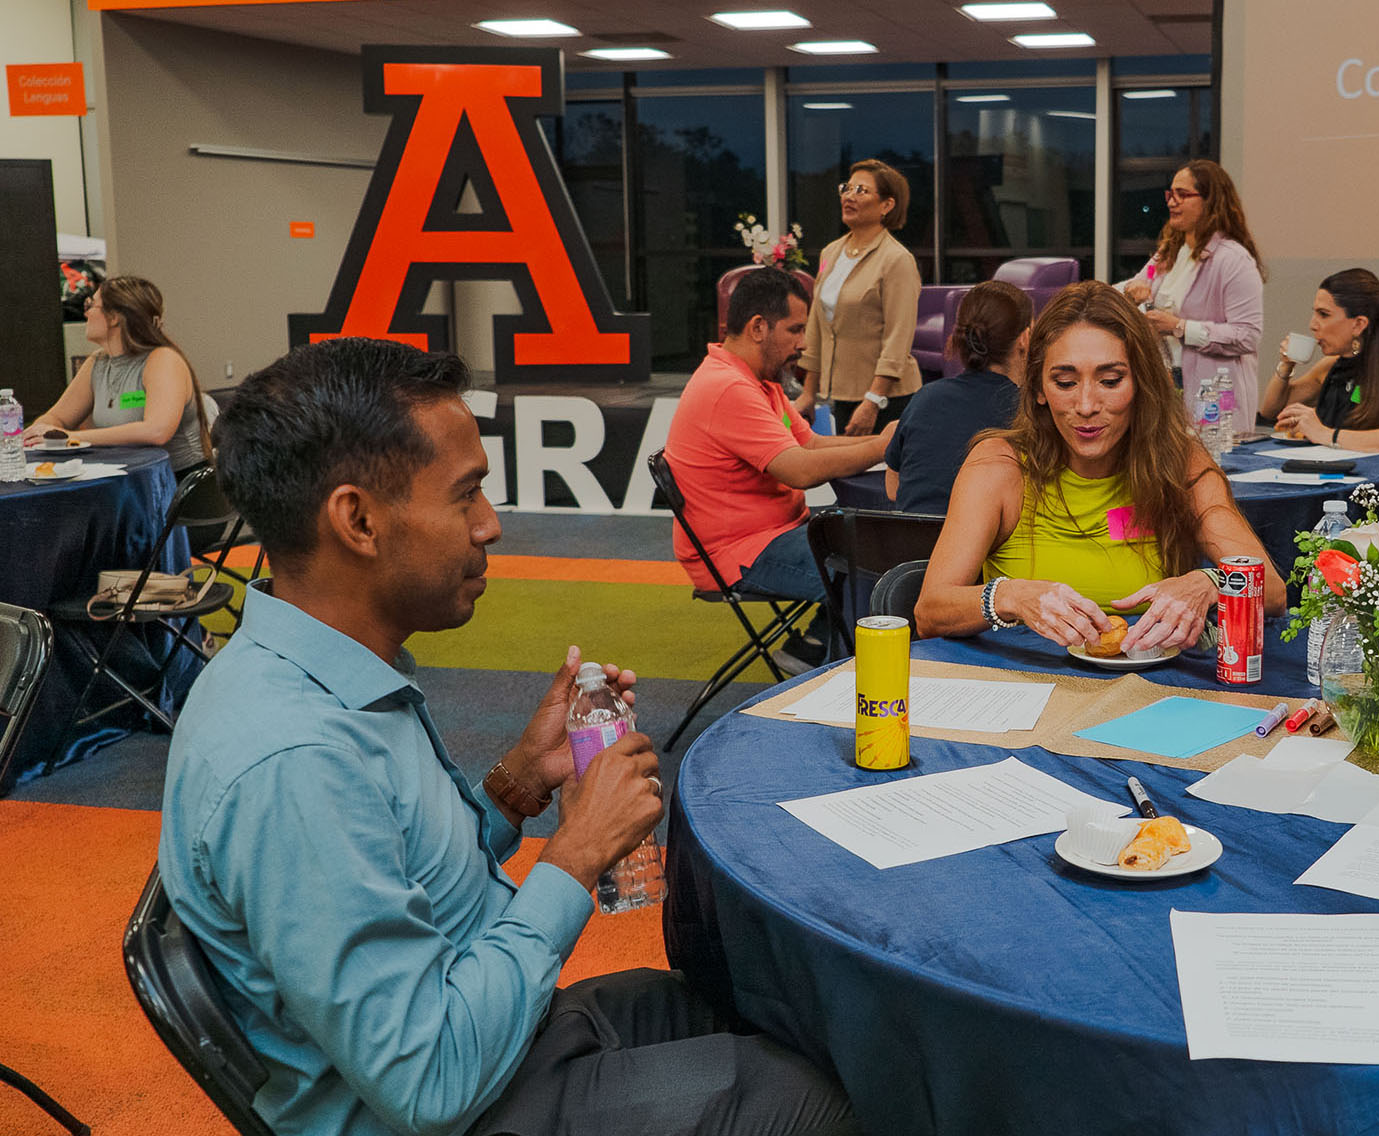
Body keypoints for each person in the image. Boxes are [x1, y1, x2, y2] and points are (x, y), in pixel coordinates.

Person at [159, 336, 858, 1136]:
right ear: (357, 520)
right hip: (462, 1099)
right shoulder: (294, 762)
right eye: (466, 496)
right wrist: (576, 855)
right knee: (824, 1103)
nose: (490, 525)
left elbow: (402, 867)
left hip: (499, 1036)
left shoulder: (325, 671)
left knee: (772, 1007)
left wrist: (517, 785)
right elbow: (429, 1084)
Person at [914, 282, 1284, 653]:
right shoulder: (1000, 466)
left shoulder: (1179, 463)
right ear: (1038, 388)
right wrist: (1011, 596)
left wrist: (1209, 582)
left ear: (1142, 384)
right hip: (1024, 679)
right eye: (1065, 383)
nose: (1087, 405)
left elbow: (1271, 591)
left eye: (1110, 381)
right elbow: (930, 612)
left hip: (1152, 681)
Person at [666, 266, 892, 666]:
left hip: (772, 534)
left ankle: (814, 648)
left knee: (875, 537)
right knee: (873, 567)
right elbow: (801, 470)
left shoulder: (758, 380)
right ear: (758, 327)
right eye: (795, 330)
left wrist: (883, 443)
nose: (803, 343)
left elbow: (811, 444)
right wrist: (882, 447)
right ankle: (837, 674)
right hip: (738, 554)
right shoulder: (728, 388)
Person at [1259, 266, 1379, 525]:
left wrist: (1327, 435)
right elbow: (1271, 409)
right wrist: (1286, 366)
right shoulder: (1331, 366)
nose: (1313, 325)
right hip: (1338, 493)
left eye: (1324, 314)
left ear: (1358, 324)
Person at [1116, 160, 1266, 433]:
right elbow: (1141, 279)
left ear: (1211, 201)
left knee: (1211, 454)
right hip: (1170, 387)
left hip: (1214, 395)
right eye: (1170, 194)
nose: (1172, 202)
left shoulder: (1234, 260)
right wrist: (1131, 289)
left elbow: (1247, 335)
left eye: (1182, 194)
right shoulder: (1168, 253)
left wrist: (1180, 327)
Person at [22, 274, 211, 475]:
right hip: (124, 477)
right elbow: (57, 416)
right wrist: (39, 432)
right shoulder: (98, 363)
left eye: (91, 305)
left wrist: (71, 437)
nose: (85, 313)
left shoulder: (163, 360)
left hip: (175, 481)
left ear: (113, 318)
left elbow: (157, 431)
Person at [794, 158, 922, 436]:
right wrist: (808, 393)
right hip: (843, 394)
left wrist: (873, 401)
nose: (849, 197)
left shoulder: (897, 259)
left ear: (887, 205)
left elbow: (898, 339)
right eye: (846, 188)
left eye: (861, 191)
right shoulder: (831, 253)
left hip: (886, 399)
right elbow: (817, 324)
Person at [883, 280, 1030, 515]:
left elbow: (893, 489)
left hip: (912, 537)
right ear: (1025, 338)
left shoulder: (926, 397)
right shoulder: (1028, 412)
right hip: (990, 538)